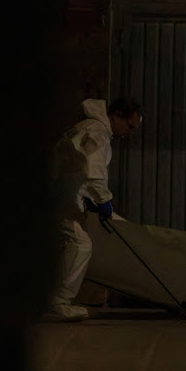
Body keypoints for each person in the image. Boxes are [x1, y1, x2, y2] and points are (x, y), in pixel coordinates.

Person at [46, 97, 143, 321]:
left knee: (69, 246)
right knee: (80, 244)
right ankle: (59, 302)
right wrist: (103, 200)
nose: (129, 133)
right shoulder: (97, 132)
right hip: (64, 199)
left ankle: (52, 298)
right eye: (130, 126)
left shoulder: (85, 127)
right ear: (116, 115)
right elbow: (93, 170)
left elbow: (75, 166)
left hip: (61, 194)